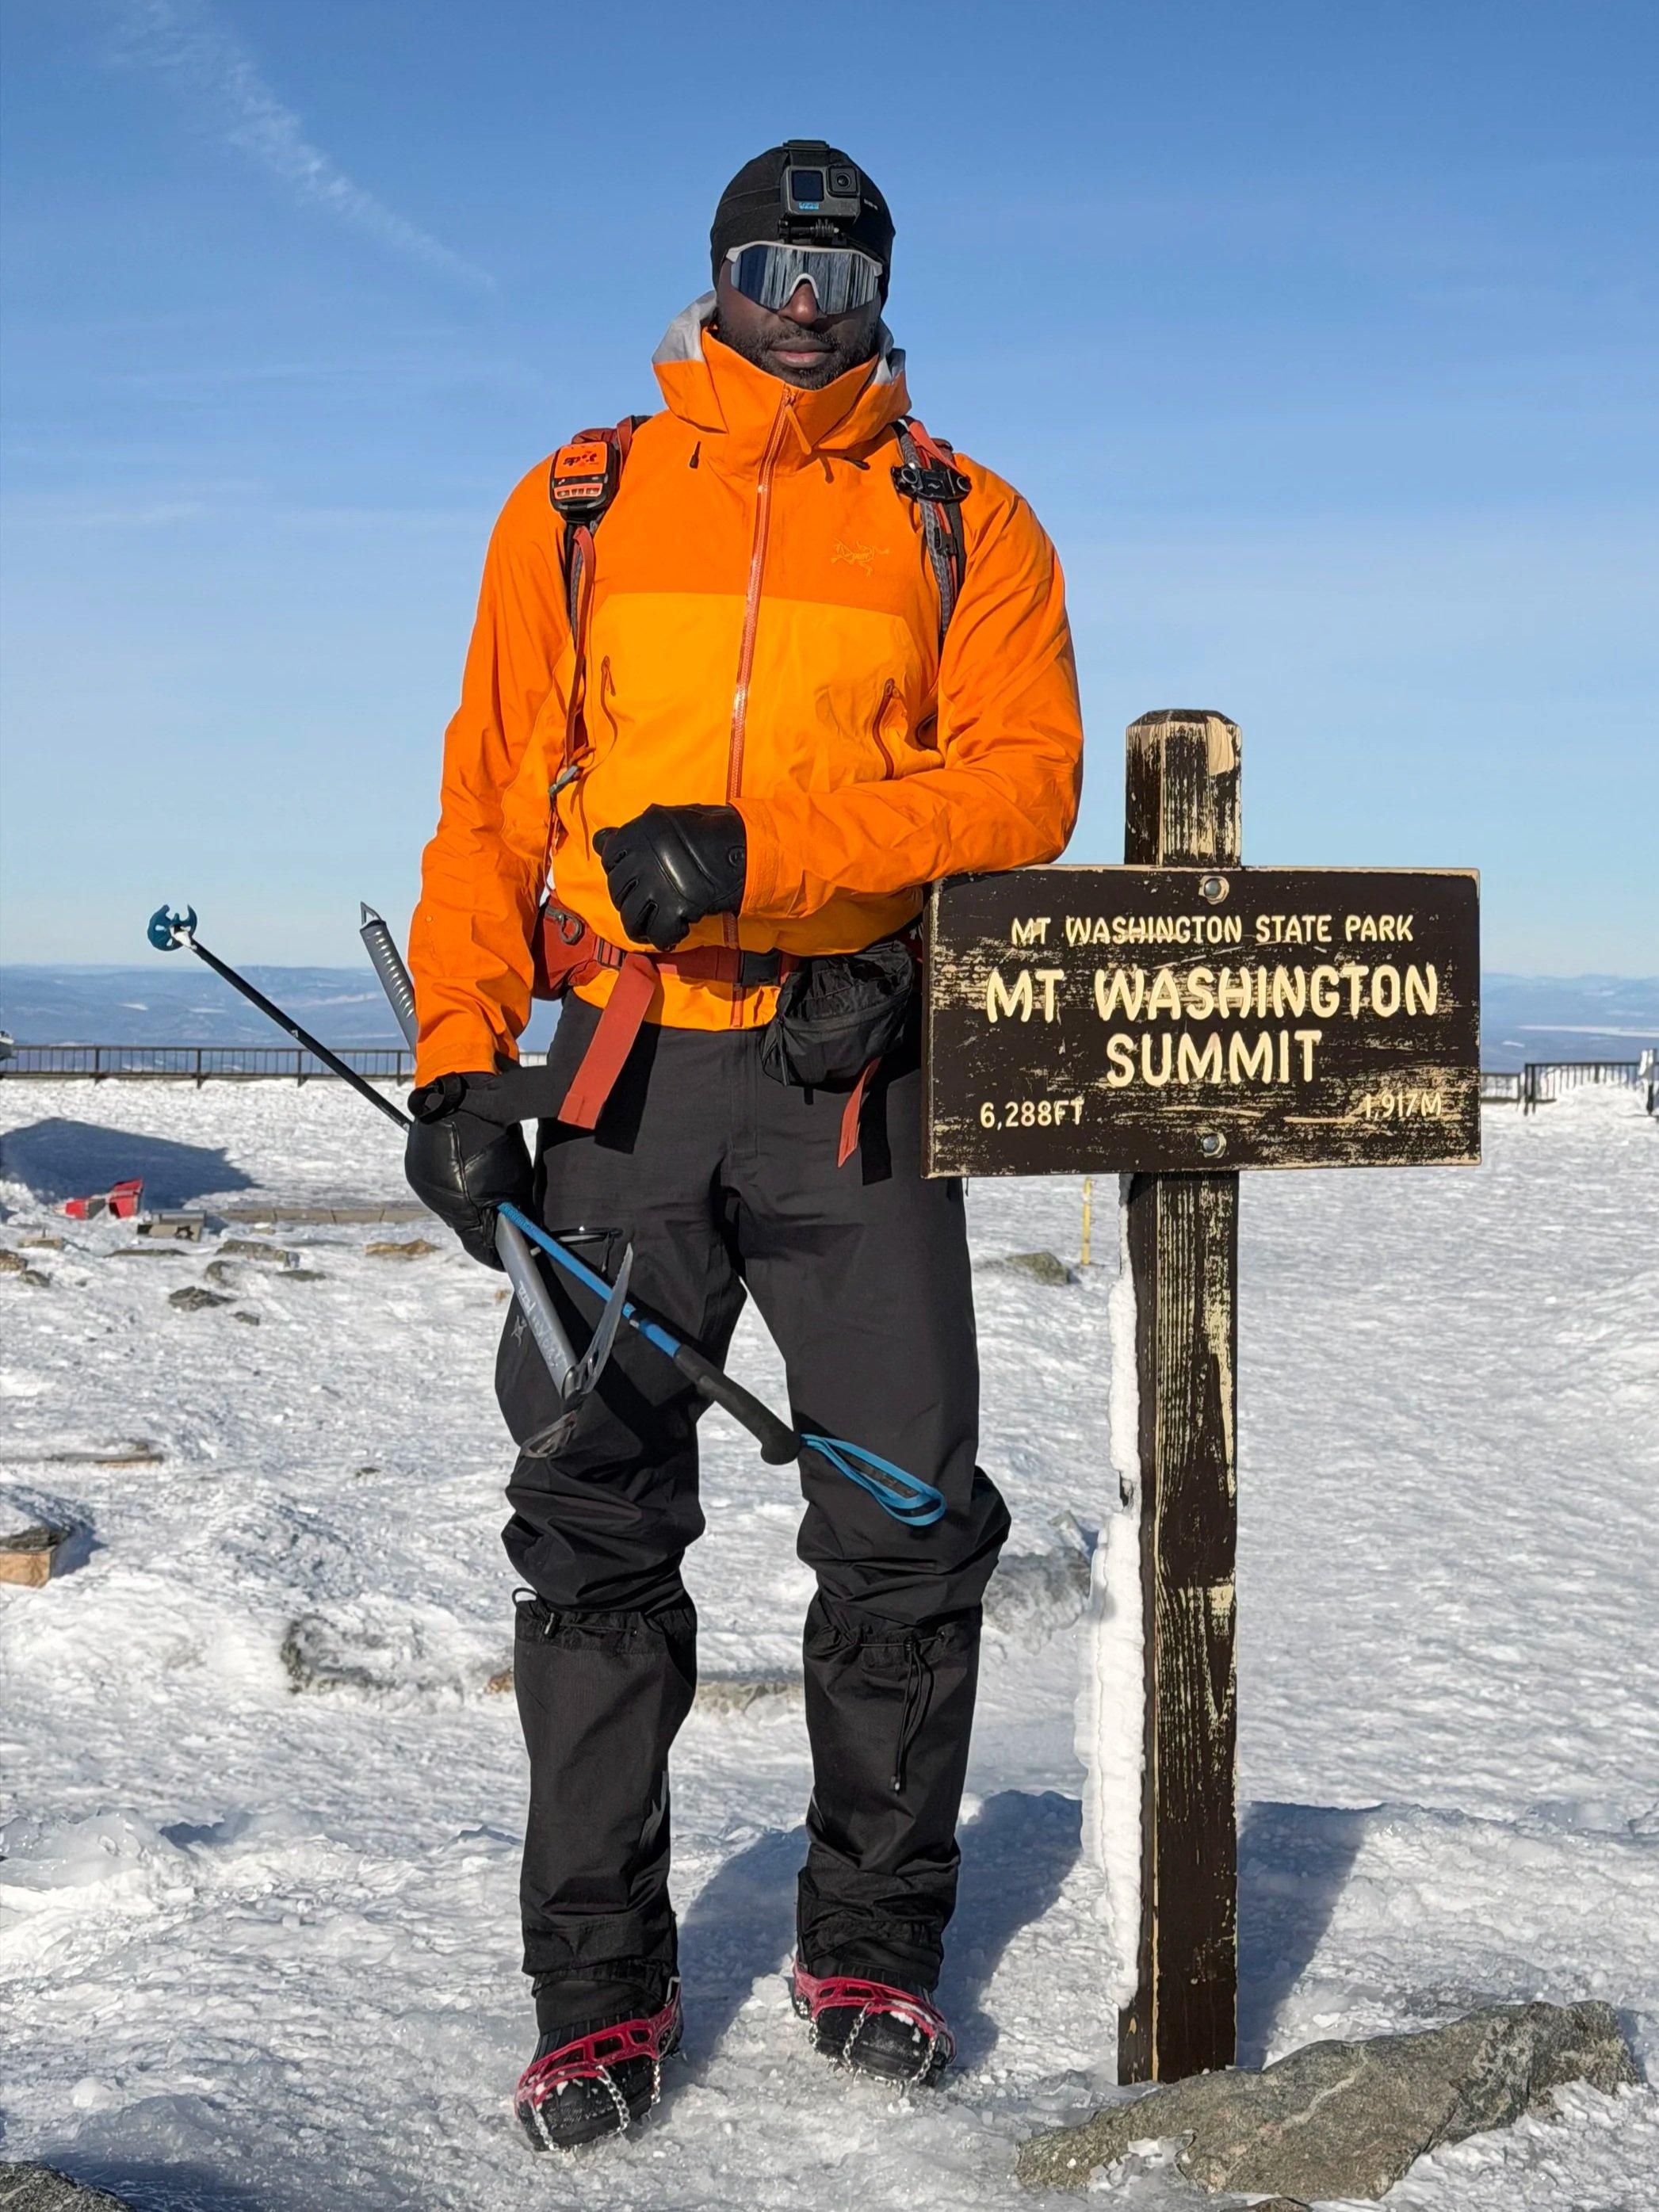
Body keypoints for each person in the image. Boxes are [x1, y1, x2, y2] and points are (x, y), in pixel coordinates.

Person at [404, 140, 1084, 2150]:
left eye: (842, 271)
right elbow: (485, 806)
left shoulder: (967, 518)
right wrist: (460, 1066)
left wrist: (779, 863)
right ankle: (596, 1990)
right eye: (773, 266)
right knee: (596, 1515)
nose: (806, 306)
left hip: (852, 1079)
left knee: (901, 1513)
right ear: (716, 271)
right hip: (615, 1078)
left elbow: (1023, 786)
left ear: (884, 287)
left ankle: (871, 1940)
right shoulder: (582, 498)